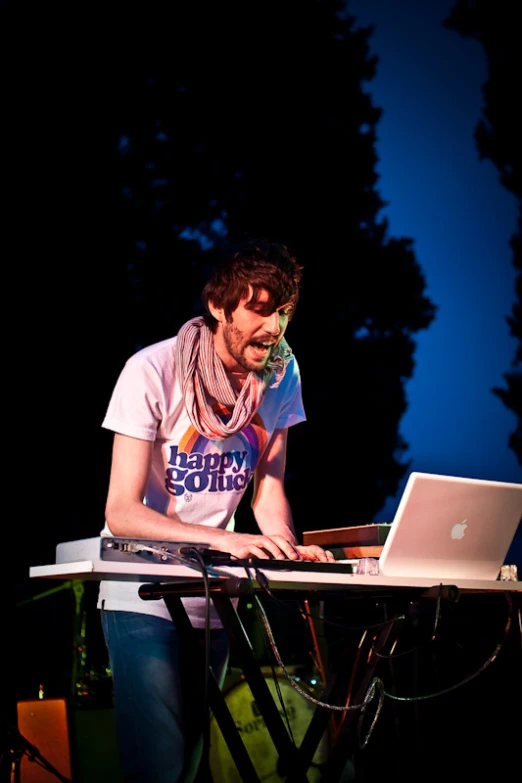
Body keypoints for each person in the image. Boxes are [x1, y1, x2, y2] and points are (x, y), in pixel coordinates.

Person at [97, 238, 334, 783]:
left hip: (212, 595)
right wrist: (227, 540)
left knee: (194, 764)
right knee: (159, 763)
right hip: (142, 591)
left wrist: (287, 551)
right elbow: (121, 512)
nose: (273, 327)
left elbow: (268, 491)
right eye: (258, 308)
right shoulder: (151, 370)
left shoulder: (280, 375)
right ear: (219, 307)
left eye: (284, 312)